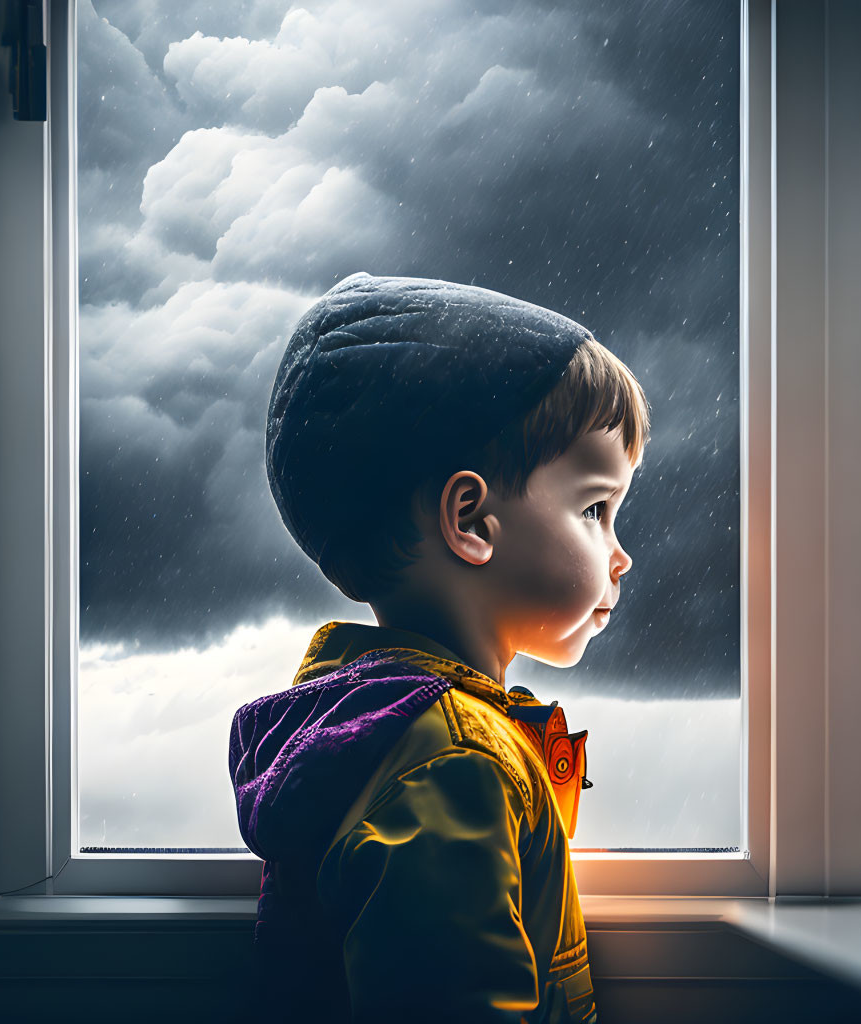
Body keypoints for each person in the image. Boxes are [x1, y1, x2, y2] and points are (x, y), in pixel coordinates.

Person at [229, 272, 650, 1023]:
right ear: (472, 521)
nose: (621, 557)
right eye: (595, 508)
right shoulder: (453, 763)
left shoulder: (371, 716)